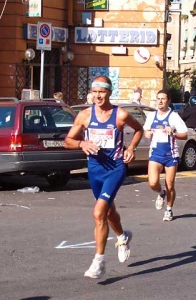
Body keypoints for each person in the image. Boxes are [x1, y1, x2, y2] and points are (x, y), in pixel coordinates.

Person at [65, 75, 144, 279]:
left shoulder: (120, 115)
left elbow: (139, 129)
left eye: (102, 92)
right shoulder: (84, 116)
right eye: (95, 92)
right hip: (95, 169)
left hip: (115, 168)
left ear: (109, 92)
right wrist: (82, 144)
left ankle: (98, 262)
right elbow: (68, 141)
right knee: (109, 212)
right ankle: (122, 237)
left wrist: (132, 148)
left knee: (99, 212)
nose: (98, 96)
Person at [143, 89, 188, 221]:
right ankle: (160, 193)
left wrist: (173, 134)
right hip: (155, 153)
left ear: (168, 101)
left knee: (170, 184)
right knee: (152, 182)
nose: (160, 101)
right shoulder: (152, 116)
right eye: (158, 99)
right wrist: (148, 134)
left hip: (170, 155)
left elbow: (184, 135)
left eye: (163, 99)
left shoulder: (173, 116)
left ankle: (169, 210)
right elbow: (146, 131)